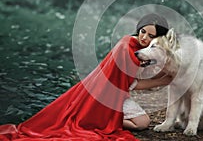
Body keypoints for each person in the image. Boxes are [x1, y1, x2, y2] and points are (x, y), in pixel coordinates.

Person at [0, 13, 171, 141]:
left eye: (151, 36)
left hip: (116, 93)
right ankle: (100, 119)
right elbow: (128, 84)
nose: (144, 38)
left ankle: (103, 118)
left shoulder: (146, 51)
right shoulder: (126, 46)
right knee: (140, 123)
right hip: (103, 94)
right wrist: (162, 81)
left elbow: (129, 79)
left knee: (141, 122)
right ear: (138, 29)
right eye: (143, 32)